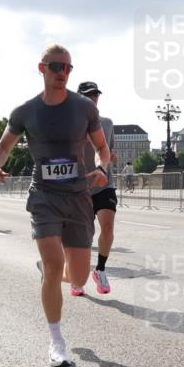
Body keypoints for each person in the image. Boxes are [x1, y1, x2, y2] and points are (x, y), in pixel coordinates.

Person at [0, 44, 110, 367]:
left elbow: (102, 148)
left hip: (79, 195)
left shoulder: (84, 108)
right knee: (56, 264)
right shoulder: (25, 111)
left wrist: (101, 168)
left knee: (79, 277)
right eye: (56, 67)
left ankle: (50, 273)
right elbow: (2, 147)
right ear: (41, 68)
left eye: (68, 68)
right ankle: (56, 339)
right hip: (43, 196)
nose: (63, 73)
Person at [77, 81, 117, 295]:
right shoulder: (71, 124)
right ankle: (76, 276)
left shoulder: (108, 123)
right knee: (83, 236)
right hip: (80, 187)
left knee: (108, 228)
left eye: (95, 95)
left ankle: (100, 270)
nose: (93, 98)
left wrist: (108, 161)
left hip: (104, 184)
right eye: (88, 95)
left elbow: (107, 150)